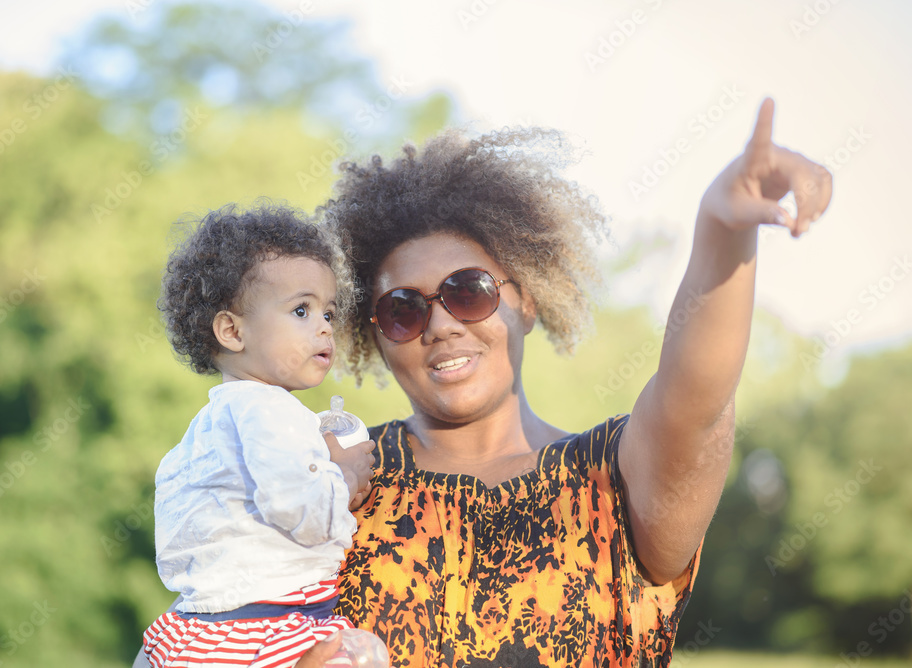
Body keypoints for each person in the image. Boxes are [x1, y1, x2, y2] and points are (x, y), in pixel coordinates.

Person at [289, 99, 831, 668]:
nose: (443, 325)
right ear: (373, 334)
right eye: (403, 310)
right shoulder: (334, 481)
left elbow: (695, 396)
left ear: (524, 300)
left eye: (468, 291)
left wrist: (722, 230)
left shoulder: (619, 480)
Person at [141, 204, 377, 668]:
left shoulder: (209, 424)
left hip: (198, 630)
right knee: (364, 655)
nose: (325, 326)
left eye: (329, 312)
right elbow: (299, 510)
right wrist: (344, 477)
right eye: (302, 310)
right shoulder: (270, 410)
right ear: (232, 330)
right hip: (267, 628)